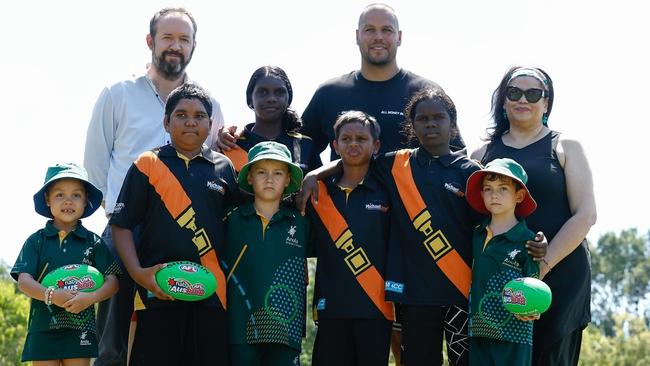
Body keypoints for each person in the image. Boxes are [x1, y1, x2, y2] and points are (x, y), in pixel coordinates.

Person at [298, 88, 548, 365]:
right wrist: (315, 173)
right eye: (422, 118)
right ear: (411, 125)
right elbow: (355, 158)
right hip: (414, 297)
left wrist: (535, 243)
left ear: (452, 124)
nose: (430, 124)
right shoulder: (394, 164)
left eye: (438, 118)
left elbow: (497, 222)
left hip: (461, 296)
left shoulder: (471, 173)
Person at [83, 7, 225, 365]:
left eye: (183, 39)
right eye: (167, 37)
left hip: (185, 237)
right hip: (124, 231)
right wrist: (119, 215)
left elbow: (215, 164)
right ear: (150, 41)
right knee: (113, 344)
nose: (175, 46)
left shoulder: (211, 104)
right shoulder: (117, 94)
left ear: (194, 46)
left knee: (175, 340)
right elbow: (95, 168)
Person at [471, 66, 597, 365]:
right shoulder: (480, 156)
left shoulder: (566, 147)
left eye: (533, 93)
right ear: (503, 101)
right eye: (513, 93)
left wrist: (537, 273)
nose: (522, 99)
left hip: (560, 276)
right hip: (497, 285)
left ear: (547, 102)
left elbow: (586, 215)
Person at [109, 83, 240, 366]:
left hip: (212, 297)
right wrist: (139, 274)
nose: (190, 121)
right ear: (166, 122)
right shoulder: (147, 164)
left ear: (210, 123)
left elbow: (236, 228)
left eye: (199, 115)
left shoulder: (224, 168)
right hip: (157, 294)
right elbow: (121, 225)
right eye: (181, 115)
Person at [307, 111, 394, 366]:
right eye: (345, 139)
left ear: (376, 145)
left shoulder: (389, 189)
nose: (353, 144)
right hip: (330, 307)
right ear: (335, 145)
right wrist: (313, 175)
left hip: (376, 308)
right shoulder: (317, 190)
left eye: (361, 138)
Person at [11, 163, 119, 365]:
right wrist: (51, 295)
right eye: (60, 195)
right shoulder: (36, 241)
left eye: (76, 195)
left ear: (86, 201)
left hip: (81, 329)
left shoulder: (94, 243)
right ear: (47, 200)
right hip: (42, 327)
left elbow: (112, 281)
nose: (68, 201)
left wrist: (91, 297)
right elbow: (24, 280)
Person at [222, 141, 309, 366]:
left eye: (278, 173)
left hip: (285, 331)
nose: (269, 179)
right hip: (239, 327)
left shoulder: (302, 223)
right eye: (261, 172)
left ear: (288, 179)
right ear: (249, 177)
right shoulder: (230, 219)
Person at [465, 158, 541, 365]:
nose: (494, 195)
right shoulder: (476, 234)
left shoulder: (528, 240)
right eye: (488, 188)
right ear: (481, 194)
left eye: (503, 188)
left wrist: (532, 309)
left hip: (515, 334)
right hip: (478, 330)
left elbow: (534, 287)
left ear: (519, 195)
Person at [221, 66, 319, 174]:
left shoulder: (304, 145)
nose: (271, 98)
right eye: (263, 92)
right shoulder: (232, 143)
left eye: (279, 92)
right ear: (250, 98)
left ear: (289, 99)